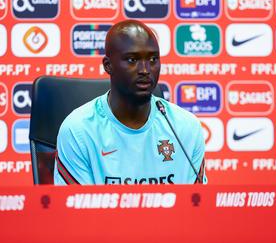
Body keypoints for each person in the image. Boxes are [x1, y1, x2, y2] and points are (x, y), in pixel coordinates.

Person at [53, 20, 207, 185]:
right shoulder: (78, 131)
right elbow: (77, 208)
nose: (145, 70)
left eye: (153, 59)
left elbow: (196, 206)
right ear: (108, 65)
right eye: (132, 60)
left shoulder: (185, 127)